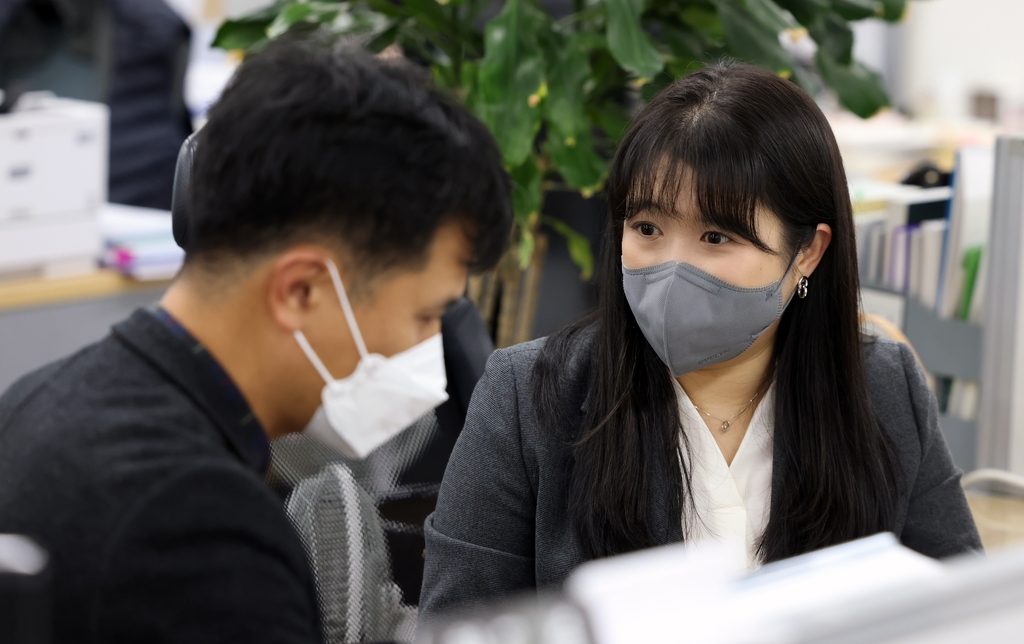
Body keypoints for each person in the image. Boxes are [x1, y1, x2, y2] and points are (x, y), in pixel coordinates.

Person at [420, 63, 982, 619]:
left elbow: (967, 613)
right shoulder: (527, 397)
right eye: (646, 229)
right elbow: (458, 627)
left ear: (807, 252)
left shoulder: (885, 389)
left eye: (716, 236)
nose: (672, 270)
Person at [0, 40, 511, 643]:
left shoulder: (33, 400)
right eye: (426, 315)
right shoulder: (202, 532)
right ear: (301, 291)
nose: (430, 349)